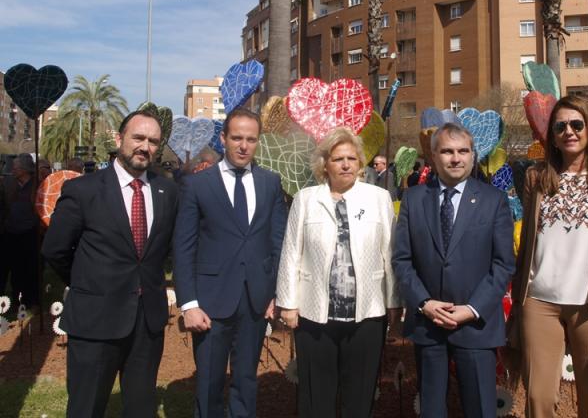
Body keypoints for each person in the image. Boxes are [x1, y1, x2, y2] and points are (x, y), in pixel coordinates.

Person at [41, 110, 179, 418]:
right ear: (119, 139)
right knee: (86, 408)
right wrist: (90, 283)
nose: (145, 146)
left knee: (141, 408)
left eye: (154, 141)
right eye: (138, 138)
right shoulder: (83, 190)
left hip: (147, 324)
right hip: (95, 321)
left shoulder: (167, 191)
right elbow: (55, 249)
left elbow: (166, 250)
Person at [508, 95, 588, 418]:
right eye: (561, 126)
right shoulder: (536, 178)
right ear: (551, 134)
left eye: (577, 124)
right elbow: (527, 243)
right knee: (537, 398)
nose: (569, 131)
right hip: (539, 301)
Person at [392, 122, 515, 418]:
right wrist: (424, 303)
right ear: (434, 156)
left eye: (463, 151)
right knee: (431, 409)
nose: (456, 158)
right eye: (447, 151)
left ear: (473, 156)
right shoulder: (413, 199)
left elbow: (503, 263)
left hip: (475, 324)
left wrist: (472, 308)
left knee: (481, 409)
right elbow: (402, 260)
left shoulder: (493, 201)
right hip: (429, 324)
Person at [276, 127, 400, 418]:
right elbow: (291, 251)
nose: (345, 164)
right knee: (316, 394)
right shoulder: (306, 199)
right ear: (324, 164)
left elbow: (390, 253)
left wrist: (394, 302)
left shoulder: (378, 198)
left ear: (360, 163)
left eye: (352, 158)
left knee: (360, 393)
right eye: (337, 158)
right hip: (315, 312)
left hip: (368, 312)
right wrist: (288, 303)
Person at [173, 108, 288, 418]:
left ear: (258, 142)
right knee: (209, 383)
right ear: (223, 138)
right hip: (210, 301)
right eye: (237, 137)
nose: (243, 145)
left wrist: (276, 293)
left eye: (251, 139)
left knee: (246, 381)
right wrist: (189, 303)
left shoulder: (270, 183)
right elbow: (183, 247)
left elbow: (278, 242)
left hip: (255, 301)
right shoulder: (197, 185)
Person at [0, 154, 40, 309]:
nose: (13, 170)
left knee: (30, 268)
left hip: (30, 233)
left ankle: (32, 299)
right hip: (11, 232)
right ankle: (17, 299)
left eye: (16, 167)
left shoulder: (36, 186)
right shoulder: (10, 185)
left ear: (24, 170)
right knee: (15, 269)